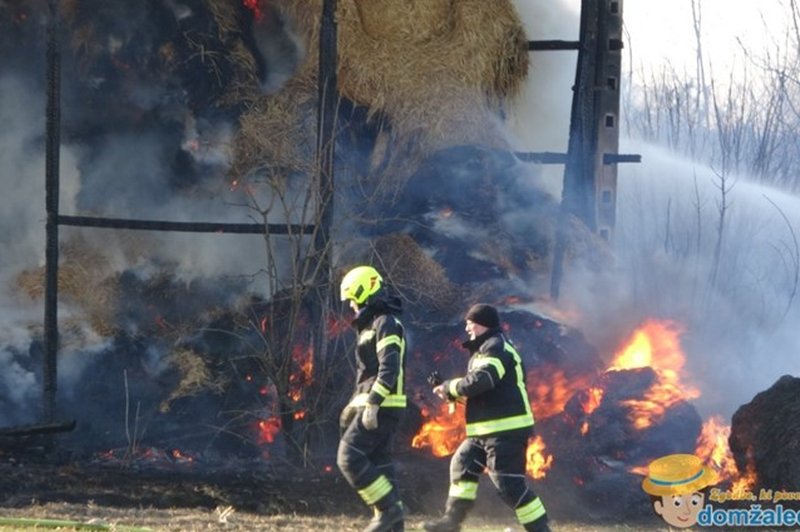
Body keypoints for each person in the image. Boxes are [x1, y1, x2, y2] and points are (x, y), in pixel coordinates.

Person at [424, 303, 550, 532]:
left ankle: (541, 529)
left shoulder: (497, 346)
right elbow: (483, 394)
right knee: (461, 465)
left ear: (482, 324)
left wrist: (451, 386)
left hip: (506, 432)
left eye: (470, 322)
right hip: (482, 433)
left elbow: (484, 380)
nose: (467, 327)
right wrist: (448, 393)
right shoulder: (482, 351)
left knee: (508, 485)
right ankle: (451, 523)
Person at [337, 265, 407, 532]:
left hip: (384, 406)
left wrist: (373, 404)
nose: (352, 306)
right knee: (381, 465)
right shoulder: (371, 326)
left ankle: (388, 511)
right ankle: (394, 523)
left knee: (349, 456)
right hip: (378, 405)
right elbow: (367, 375)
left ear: (366, 292)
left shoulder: (385, 323)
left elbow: (389, 369)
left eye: (354, 299)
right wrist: (354, 404)